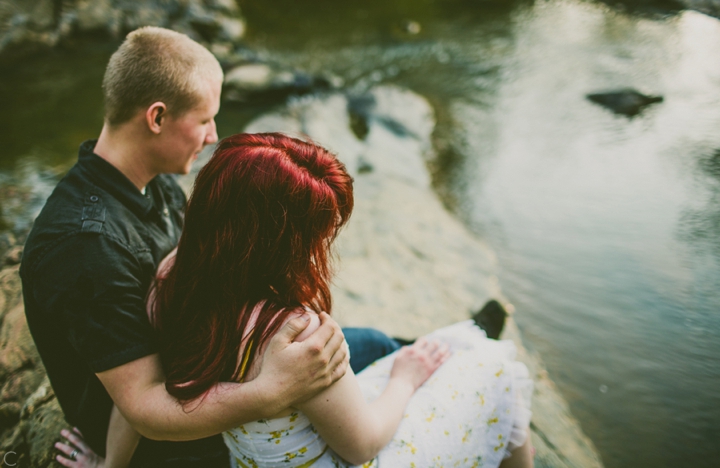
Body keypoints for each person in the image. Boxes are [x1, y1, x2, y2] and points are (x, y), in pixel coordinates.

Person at [20, 27, 398, 468]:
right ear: (157, 118)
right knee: (379, 356)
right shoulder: (87, 246)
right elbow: (144, 408)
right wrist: (271, 390)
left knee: (376, 342)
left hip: (212, 354)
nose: (212, 135)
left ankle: (442, 343)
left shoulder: (151, 183)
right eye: (204, 120)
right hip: (182, 428)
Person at [91, 132, 534, 467]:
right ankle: (467, 339)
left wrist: (109, 465)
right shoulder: (295, 335)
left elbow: (136, 397)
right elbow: (361, 447)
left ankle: (453, 338)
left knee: (419, 346)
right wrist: (406, 377)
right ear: (278, 243)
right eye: (316, 236)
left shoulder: (170, 276)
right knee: (495, 371)